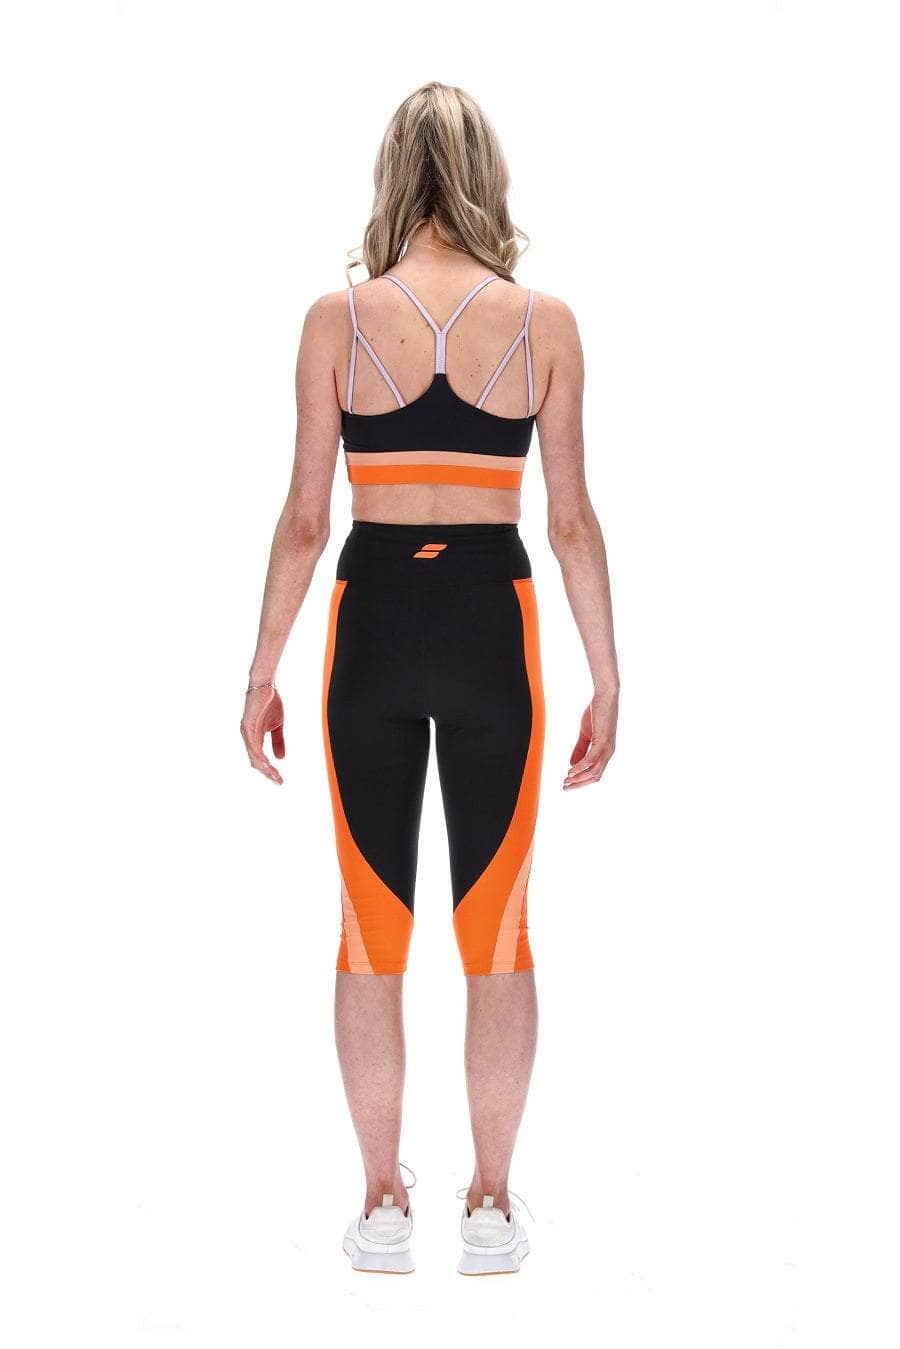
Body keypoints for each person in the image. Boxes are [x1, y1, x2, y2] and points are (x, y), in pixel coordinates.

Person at [241, 82, 619, 1275]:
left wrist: (260, 670)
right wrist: (607, 674)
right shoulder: (545, 322)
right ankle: (492, 1206)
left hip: (374, 624)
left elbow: (307, 521)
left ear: (393, 176)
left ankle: (381, 1205)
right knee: (497, 920)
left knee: (371, 921)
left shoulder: (337, 320)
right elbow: (571, 522)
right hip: (493, 624)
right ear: (486, 177)